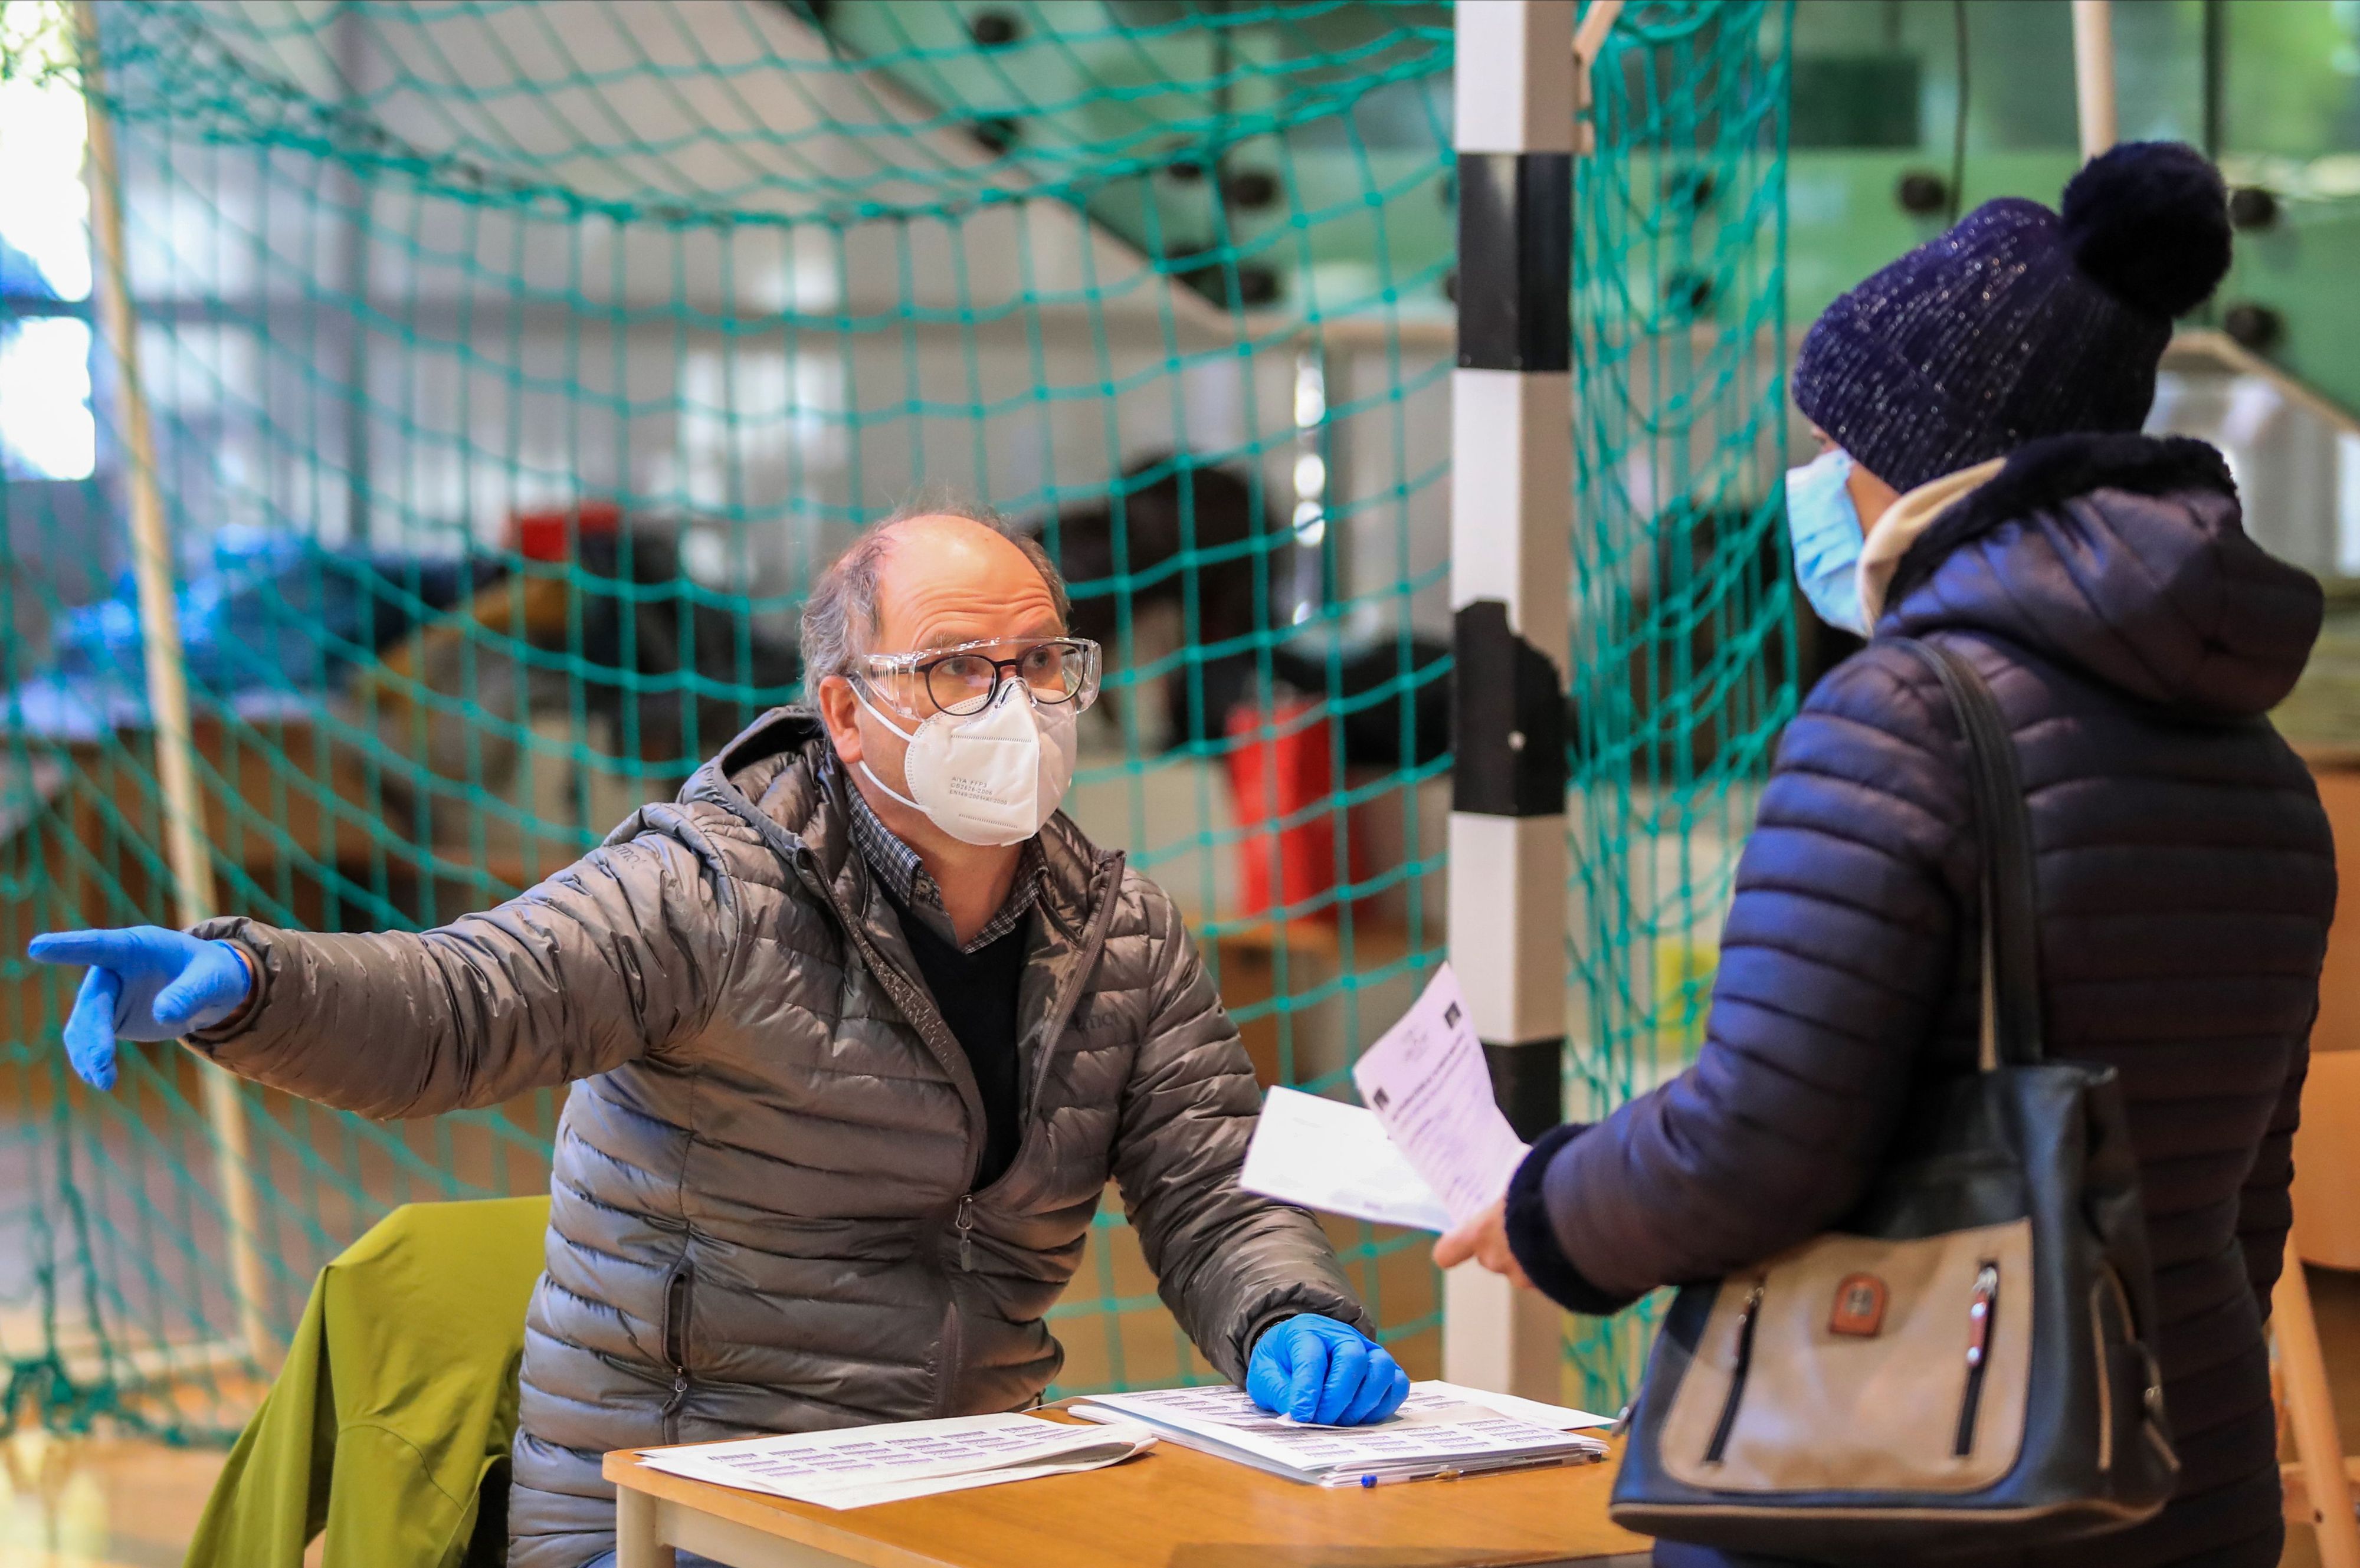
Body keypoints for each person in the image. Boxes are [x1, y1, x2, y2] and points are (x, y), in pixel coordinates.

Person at [32, 506, 1408, 1568]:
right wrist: (251, 980)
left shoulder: (1124, 936)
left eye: (1040, 661)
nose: (1015, 702)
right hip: (673, 1515)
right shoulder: (704, 889)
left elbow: (1213, 1186)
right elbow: (463, 1000)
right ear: (846, 711)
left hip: (955, 1491)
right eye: (955, 668)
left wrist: (1284, 1310)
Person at [1438, 142, 2335, 1568]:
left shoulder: (1902, 717)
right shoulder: (2259, 763)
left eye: (1835, 451)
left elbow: (1757, 1142)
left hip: (1922, 1481)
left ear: (1924, 472)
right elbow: (2242, 1200)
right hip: (2177, 1479)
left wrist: (1550, 1208)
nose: (1813, 484)